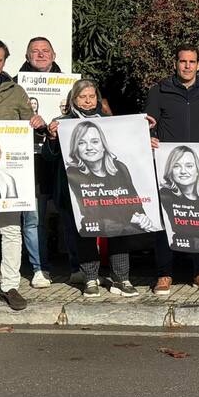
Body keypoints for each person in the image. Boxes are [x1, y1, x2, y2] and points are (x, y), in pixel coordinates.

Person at [143, 45, 199, 296]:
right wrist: (147, 137)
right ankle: (164, 274)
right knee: (165, 220)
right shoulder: (159, 91)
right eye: (183, 61)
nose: (187, 66)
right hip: (167, 168)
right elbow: (147, 125)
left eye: (192, 62)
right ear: (176, 64)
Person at [45, 80, 139, 296]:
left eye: (91, 96)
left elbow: (128, 149)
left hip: (110, 190)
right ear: (73, 99)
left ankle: (121, 279)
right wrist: (51, 138)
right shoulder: (62, 123)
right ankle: (90, 279)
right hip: (76, 192)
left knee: (118, 230)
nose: (88, 101)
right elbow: (48, 157)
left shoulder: (109, 122)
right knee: (85, 233)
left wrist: (145, 131)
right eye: (82, 97)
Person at [0, 37, 38, 313]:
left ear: (5, 62)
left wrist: (36, 122)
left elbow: (30, 121)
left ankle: (10, 286)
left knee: (11, 231)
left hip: (9, 175)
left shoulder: (16, 91)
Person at [17, 35, 60, 289]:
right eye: (35, 51)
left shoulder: (68, 86)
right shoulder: (13, 86)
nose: (41, 55)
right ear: (27, 56)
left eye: (46, 51)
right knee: (34, 218)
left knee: (69, 215)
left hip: (62, 159)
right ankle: (39, 268)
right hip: (30, 160)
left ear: (54, 56)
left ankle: (79, 268)